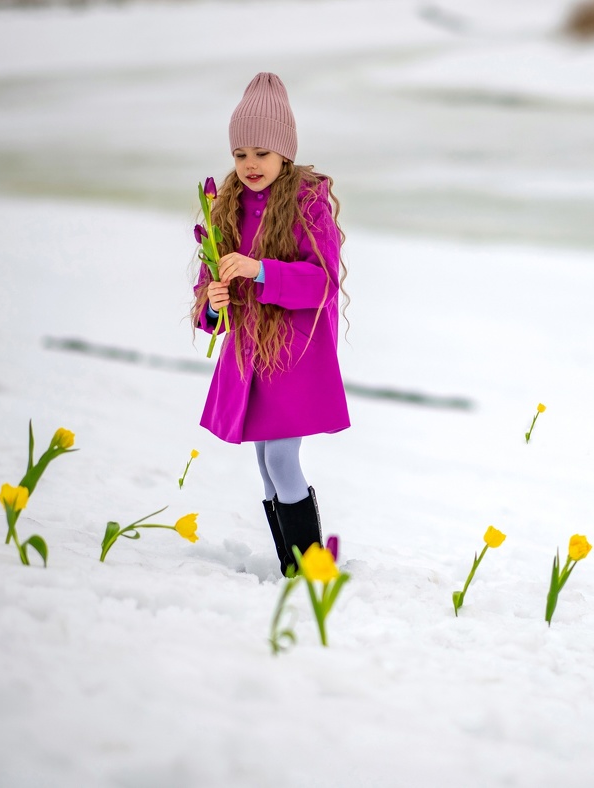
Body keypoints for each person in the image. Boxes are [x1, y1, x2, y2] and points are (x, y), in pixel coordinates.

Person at [193, 72, 350, 577]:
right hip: (250, 354)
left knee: (282, 460)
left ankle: (311, 569)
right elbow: (208, 302)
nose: (250, 165)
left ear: (284, 151)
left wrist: (260, 270)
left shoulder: (307, 202)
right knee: (264, 463)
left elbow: (322, 281)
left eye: (261, 152)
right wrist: (214, 302)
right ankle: (294, 565)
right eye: (240, 154)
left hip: (294, 354)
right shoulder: (226, 206)